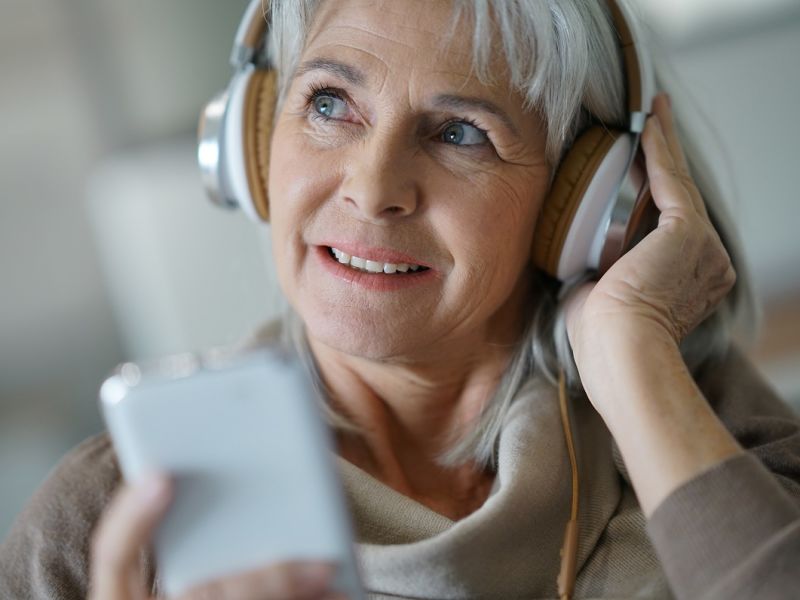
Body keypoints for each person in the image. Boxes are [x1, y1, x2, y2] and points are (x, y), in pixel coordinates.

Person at [2, 0, 799, 598]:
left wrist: (633, 363)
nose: (373, 187)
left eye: (459, 132)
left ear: (583, 203)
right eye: (327, 103)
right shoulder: (109, 521)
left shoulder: (698, 429)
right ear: (253, 140)